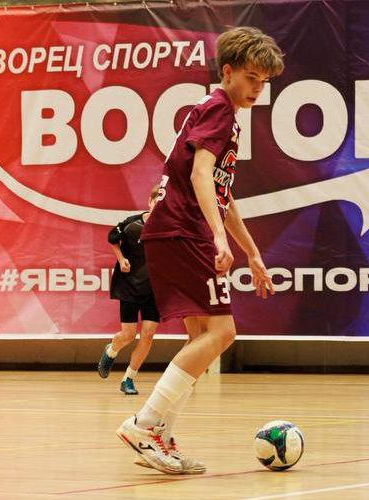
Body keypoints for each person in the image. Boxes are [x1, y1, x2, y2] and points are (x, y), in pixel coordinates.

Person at [115, 26, 283, 475]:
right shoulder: (220, 109)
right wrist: (218, 238)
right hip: (182, 231)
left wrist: (252, 252)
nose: (257, 88)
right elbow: (199, 175)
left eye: (264, 82)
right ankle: (145, 425)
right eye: (251, 78)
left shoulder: (220, 112)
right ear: (227, 72)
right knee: (223, 333)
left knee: (201, 340)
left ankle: (161, 437)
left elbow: (221, 193)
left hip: (172, 231)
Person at [98, 185, 163, 395]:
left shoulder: (169, 228)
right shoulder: (132, 224)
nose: (159, 206)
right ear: (150, 202)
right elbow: (112, 238)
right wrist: (121, 259)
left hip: (154, 290)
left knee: (148, 335)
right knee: (128, 335)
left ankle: (128, 379)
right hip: (129, 287)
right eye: (156, 202)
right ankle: (112, 350)